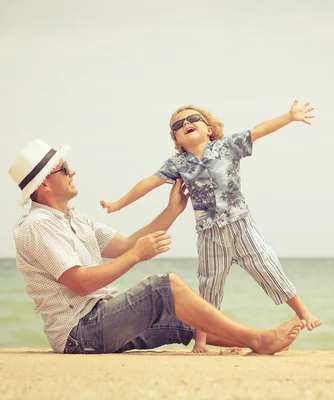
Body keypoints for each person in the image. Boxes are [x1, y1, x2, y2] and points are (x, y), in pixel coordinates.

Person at [8, 139, 305, 355]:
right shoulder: (38, 226)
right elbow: (81, 283)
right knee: (165, 287)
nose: (72, 172)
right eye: (64, 168)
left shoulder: (75, 218)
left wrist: (172, 211)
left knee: (182, 318)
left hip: (99, 320)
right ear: (44, 185)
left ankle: (257, 339)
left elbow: (123, 244)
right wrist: (138, 256)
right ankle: (261, 341)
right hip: (79, 333)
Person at [100, 100, 322, 353]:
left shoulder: (227, 147)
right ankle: (201, 343)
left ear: (209, 128)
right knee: (209, 286)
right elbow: (148, 182)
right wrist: (118, 203)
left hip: (241, 226)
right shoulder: (178, 163)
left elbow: (258, 130)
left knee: (267, 265)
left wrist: (290, 116)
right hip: (209, 234)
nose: (186, 124)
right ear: (177, 139)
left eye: (192, 119)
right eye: (178, 125)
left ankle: (303, 313)